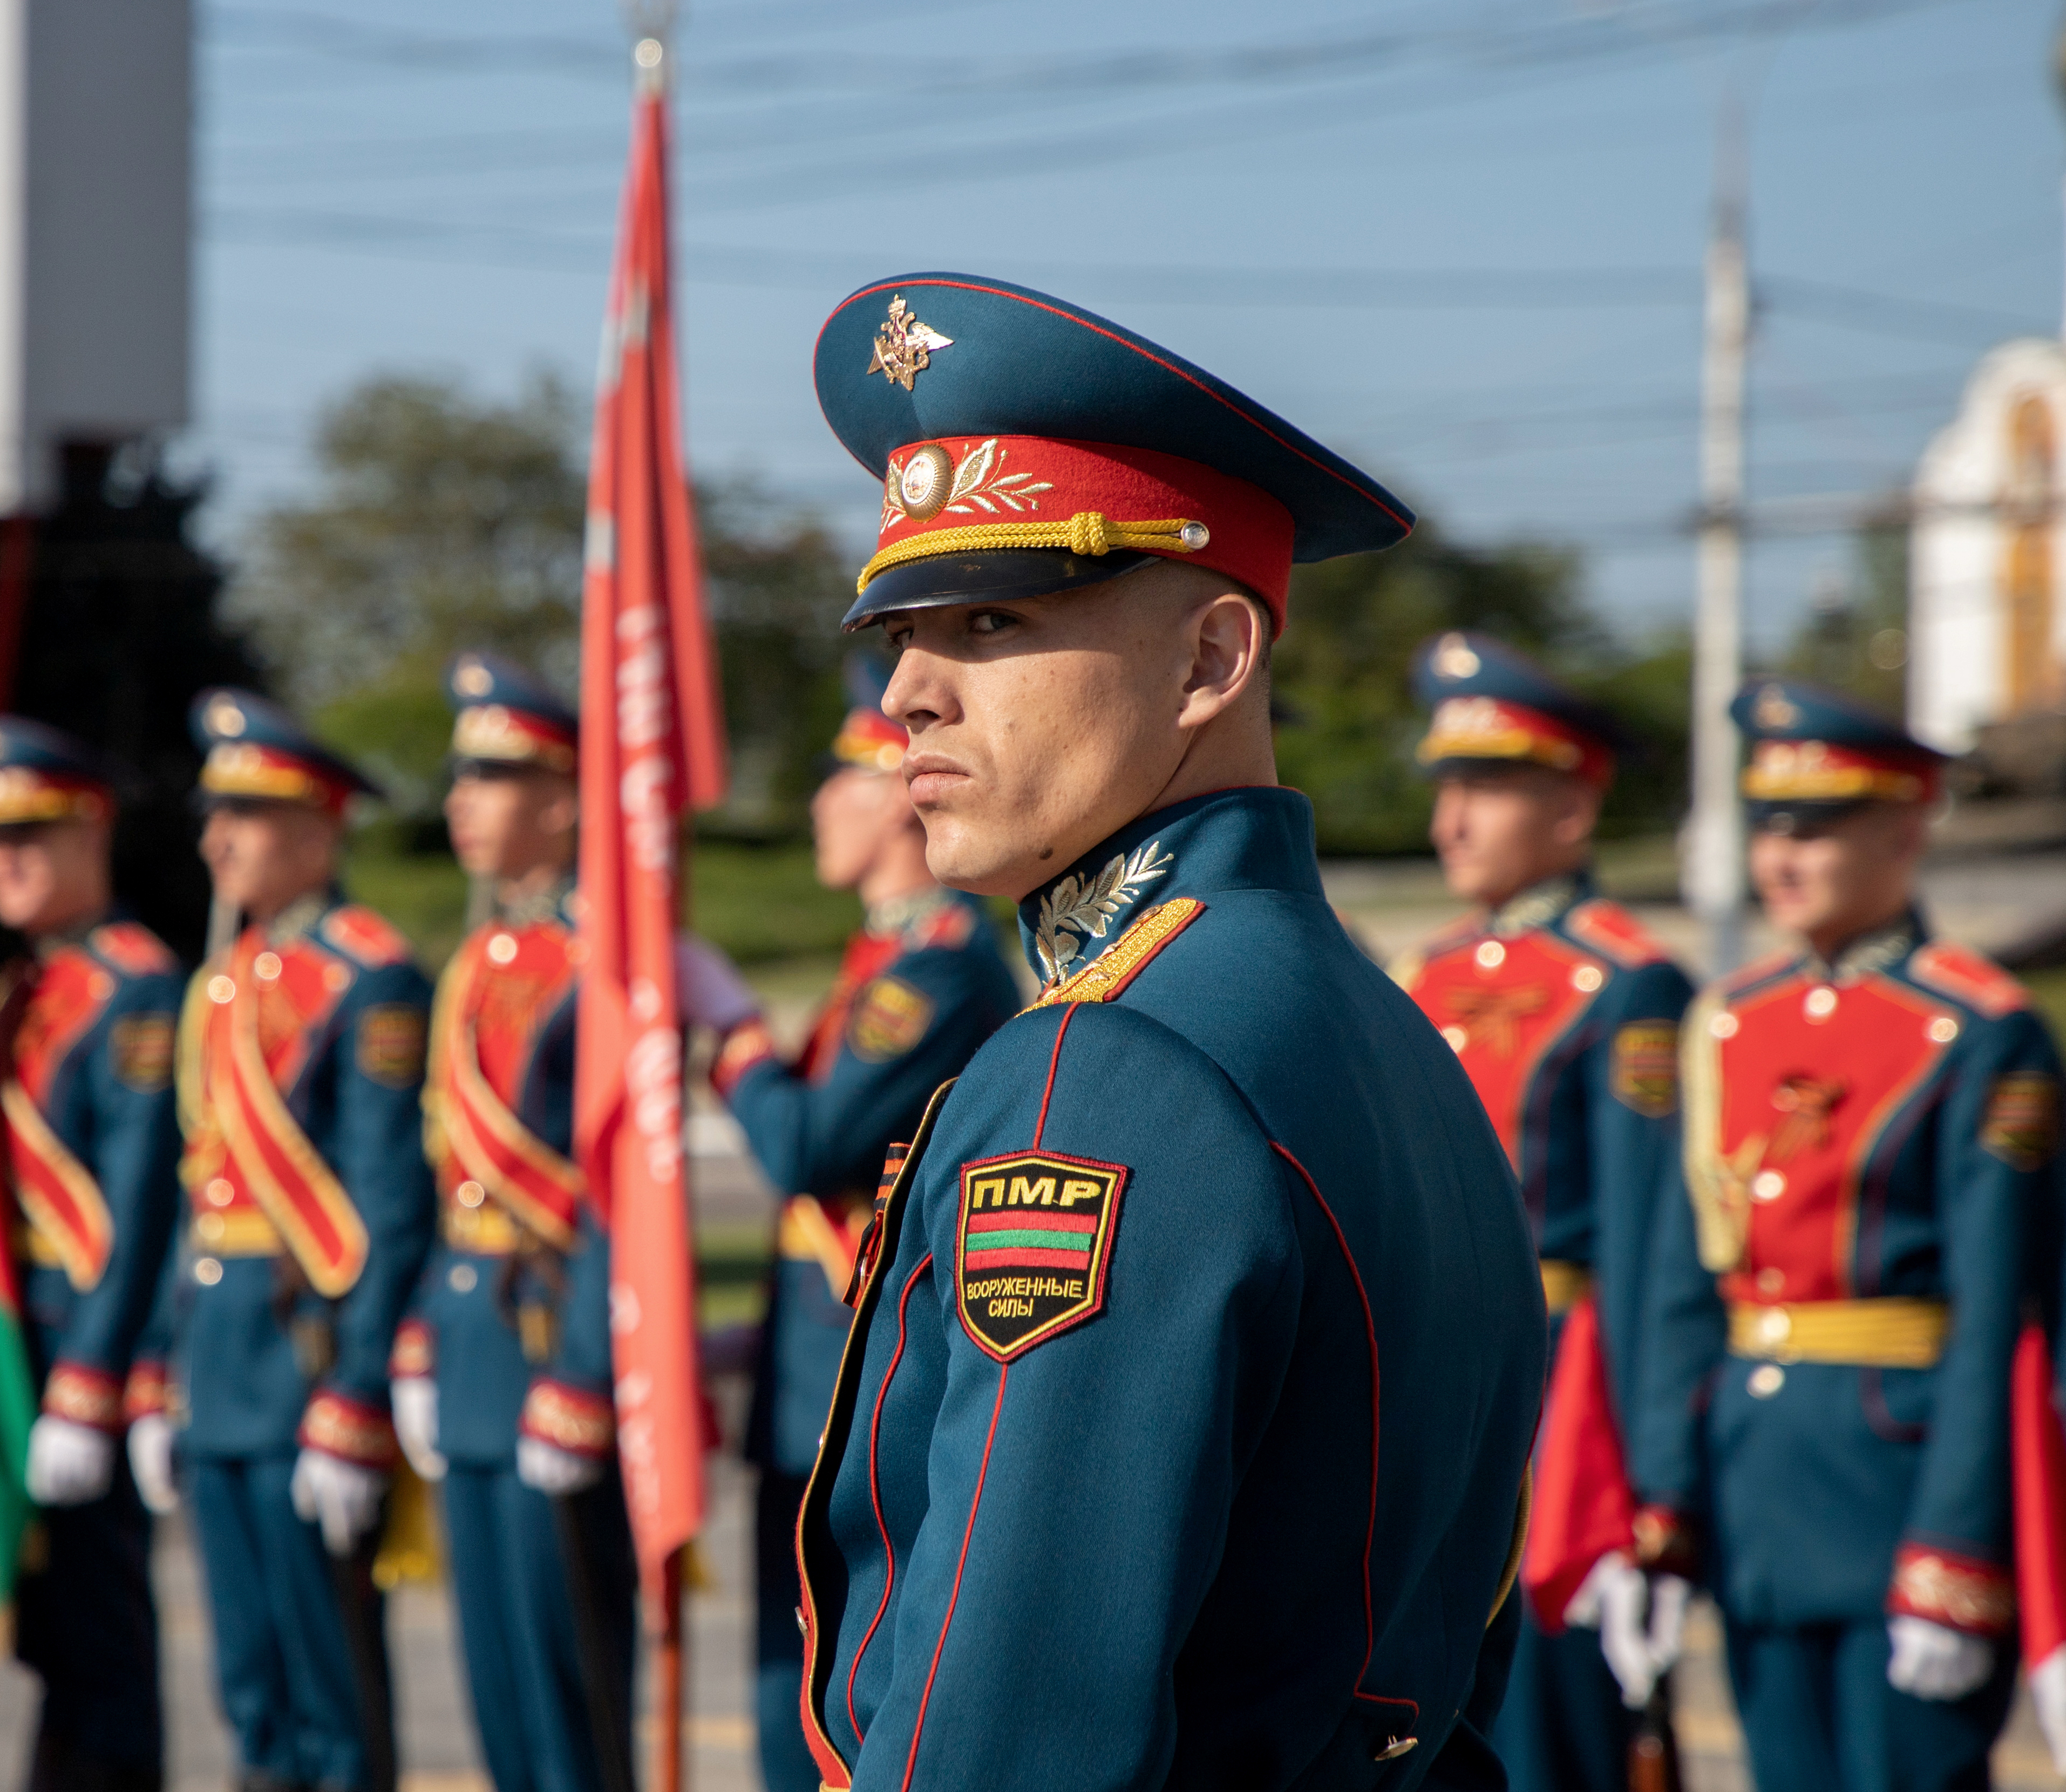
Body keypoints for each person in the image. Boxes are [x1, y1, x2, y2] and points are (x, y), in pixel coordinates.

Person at [787, 274, 1546, 1789]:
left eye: (992, 619)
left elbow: (1005, 1729)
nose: (907, 699)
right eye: (899, 633)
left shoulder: (1106, 1066)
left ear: (1209, 660)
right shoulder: (1380, 1033)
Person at [1632, 678, 2065, 1792]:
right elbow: (1690, 1285)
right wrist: (1661, 1504)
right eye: (1769, 823)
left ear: (1906, 827)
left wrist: (1955, 1548)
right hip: (1751, 1478)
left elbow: (1998, 1316)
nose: (1782, 853)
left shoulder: (1975, 1030)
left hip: (1897, 1479)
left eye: (1816, 825)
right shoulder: (1731, 1021)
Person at [699, 652, 1019, 1792]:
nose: (817, 807)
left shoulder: (933, 973)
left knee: (840, 1680)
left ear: (895, 793)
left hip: (856, 1371)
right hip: (805, 1359)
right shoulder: (881, 958)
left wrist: (730, 1035)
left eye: (840, 782)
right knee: (789, 1664)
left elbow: (805, 1149)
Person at [1391, 632, 1697, 1789]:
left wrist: (1648, 1487)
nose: (1451, 820)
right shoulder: (1422, 978)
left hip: (1563, 1416)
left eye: (1486, 789)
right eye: (1446, 789)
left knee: (1550, 1742)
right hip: (1434, 1399)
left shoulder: (1626, 983)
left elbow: (1649, 1249)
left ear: (1571, 810)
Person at [161, 687, 436, 1792]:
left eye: (249, 812)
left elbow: (384, 1198)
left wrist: (357, 1387)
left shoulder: (367, 972)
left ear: (320, 830)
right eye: (213, 810)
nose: (216, 835)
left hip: (302, 1356)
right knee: (249, 1678)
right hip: (218, 1356)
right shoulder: (222, 978)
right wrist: (153, 1365)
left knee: (331, 1690)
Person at [392, 652, 635, 1792]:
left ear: (560, 796)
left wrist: (583, 1371)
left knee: (566, 1694)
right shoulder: (475, 958)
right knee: (491, 1678)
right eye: (461, 776)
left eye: (490, 776)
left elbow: (623, 1185)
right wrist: (414, 1338)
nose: (460, 800)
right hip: (472, 1340)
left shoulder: (603, 960)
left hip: (548, 1343)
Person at [0, 715, 185, 1792]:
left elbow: (137, 1208)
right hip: (9, 1346)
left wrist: (89, 1381)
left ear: (92, 829)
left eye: (27, 833)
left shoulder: (135, 988)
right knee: (44, 1631)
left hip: (79, 1352)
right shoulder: (12, 993)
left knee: (100, 1636)